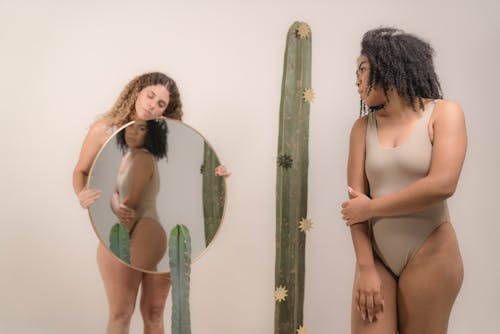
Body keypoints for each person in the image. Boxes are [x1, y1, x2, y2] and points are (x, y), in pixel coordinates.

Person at [73, 72, 230, 334]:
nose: (152, 105)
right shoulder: (105, 130)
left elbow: (195, 172)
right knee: (120, 312)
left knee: (154, 312)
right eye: (150, 96)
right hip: (112, 231)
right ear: (137, 91)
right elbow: (81, 171)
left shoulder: (169, 141)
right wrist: (83, 196)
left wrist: (218, 174)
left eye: (161, 104)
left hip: (151, 228)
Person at [341, 28, 467, 333]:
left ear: (388, 67)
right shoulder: (362, 128)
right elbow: (355, 206)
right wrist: (366, 268)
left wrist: (372, 209)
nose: (356, 80)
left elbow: (442, 185)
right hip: (377, 258)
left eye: (362, 69)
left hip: (431, 251)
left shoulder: (444, 114)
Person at [113, 119, 168, 271]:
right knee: (149, 294)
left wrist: (118, 240)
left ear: (149, 134)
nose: (133, 131)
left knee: (125, 285)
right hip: (133, 226)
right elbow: (115, 193)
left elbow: (134, 203)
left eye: (141, 128)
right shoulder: (126, 158)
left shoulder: (143, 158)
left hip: (146, 228)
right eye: (130, 125)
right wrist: (117, 207)